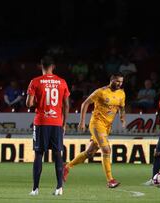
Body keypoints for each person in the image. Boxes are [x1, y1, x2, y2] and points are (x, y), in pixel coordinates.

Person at [63, 72, 126, 188]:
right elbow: (85, 104)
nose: (119, 84)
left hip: (107, 127)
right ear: (111, 80)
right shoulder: (100, 92)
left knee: (89, 153)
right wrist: (82, 122)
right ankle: (110, 180)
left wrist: (122, 118)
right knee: (106, 150)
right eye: (117, 81)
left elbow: (122, 107)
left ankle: (66, 167)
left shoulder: (121, 93)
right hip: (97, 124)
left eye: (121, 82)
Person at [27, 56, 70, 196]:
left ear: (41, 66)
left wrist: (38, 101)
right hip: (57, 122)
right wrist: (64, 123)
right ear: (53, 66)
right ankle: (59, 188)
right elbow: (66, 105)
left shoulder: (35, 82)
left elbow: (28, 103)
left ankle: (35, 189)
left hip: (41, 122)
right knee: (58, 154)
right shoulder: (62, 82)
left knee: (39, 154)